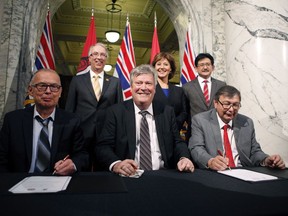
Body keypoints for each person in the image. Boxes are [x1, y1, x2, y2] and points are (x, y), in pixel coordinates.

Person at [95, 64, 194, 176]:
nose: (143, 88)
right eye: (138, 83)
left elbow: (178, 142)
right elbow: (103, 146)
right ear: (131, 87)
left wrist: (184, 158)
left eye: (148, 83)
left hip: (163, 174)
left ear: (155, 88)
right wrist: (117, 164)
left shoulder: (167, 112)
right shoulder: (115, 112)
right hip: (129, 175)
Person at [0, 69, 89, 175]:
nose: (48, 91)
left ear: (60, 92)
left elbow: (83, 155)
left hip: (57, 182)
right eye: (42, 86)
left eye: (54, 87)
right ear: (30, 90)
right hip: (19, 183)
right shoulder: (13, 120)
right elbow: (2, 158)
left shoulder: (72, 121)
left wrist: (73, 164)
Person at [189, 85, 286, 170]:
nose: (231, 109)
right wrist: (210, 161)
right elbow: (196, 148)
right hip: (216, 173)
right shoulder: (201, 120)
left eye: (235, 105)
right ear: (215, 103)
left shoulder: (246, 122)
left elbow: (254, 152)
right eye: (226, 104)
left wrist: (266, 160)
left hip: (243, 172)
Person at [65, 43, 123, 170]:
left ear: (106, 59)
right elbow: (70, 109)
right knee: (81, 169)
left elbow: (119, 110)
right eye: (95, 54)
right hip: (81, 133)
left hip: (106, 134)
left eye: (103, 54)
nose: (99, 57)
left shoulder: (115, 82)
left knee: (104, 171)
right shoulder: (77, 80)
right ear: (89, 58)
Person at [152, 52, 188, 133]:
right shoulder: (149, 89)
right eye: (158, 64)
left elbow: (184, 112)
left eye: (165, 64)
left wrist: (174, 124)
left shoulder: (179, 90)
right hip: (154, 132)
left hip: (175, 132)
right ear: (154, 68)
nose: (162, 67)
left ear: (170, 68)